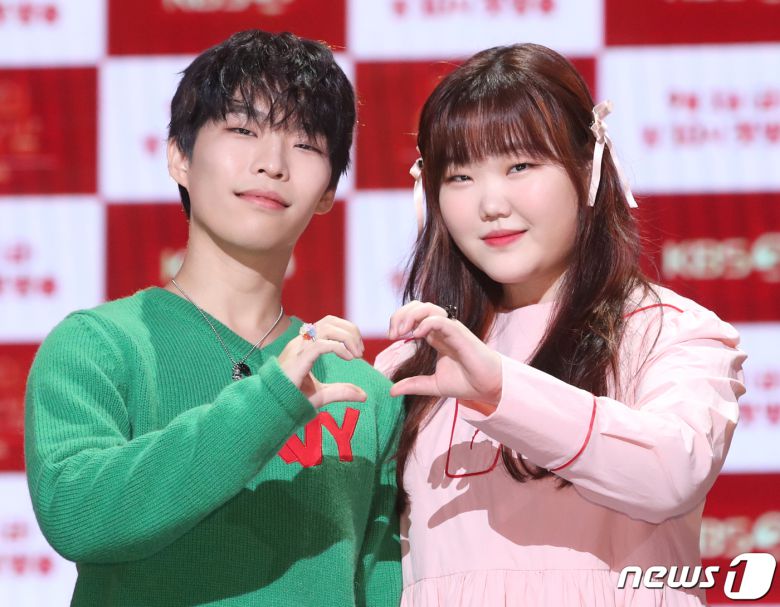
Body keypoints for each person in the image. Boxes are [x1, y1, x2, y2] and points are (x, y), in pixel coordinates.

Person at [25, 30, 403, 606]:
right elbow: (76, 516)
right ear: (180, 157)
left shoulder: (363, 391)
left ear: (329, 190)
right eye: (243, 130)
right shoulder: (97, 346)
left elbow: (380, 588)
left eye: (305, 143)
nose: (272, 164)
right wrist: (271, 402)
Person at [375, 43, 745, 606]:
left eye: (520, 166)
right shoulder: (412, 364)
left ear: (589, 168)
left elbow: (673, 473)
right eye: (460, 176)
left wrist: (502, 389)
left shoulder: (670, 332)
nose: (490, 204)